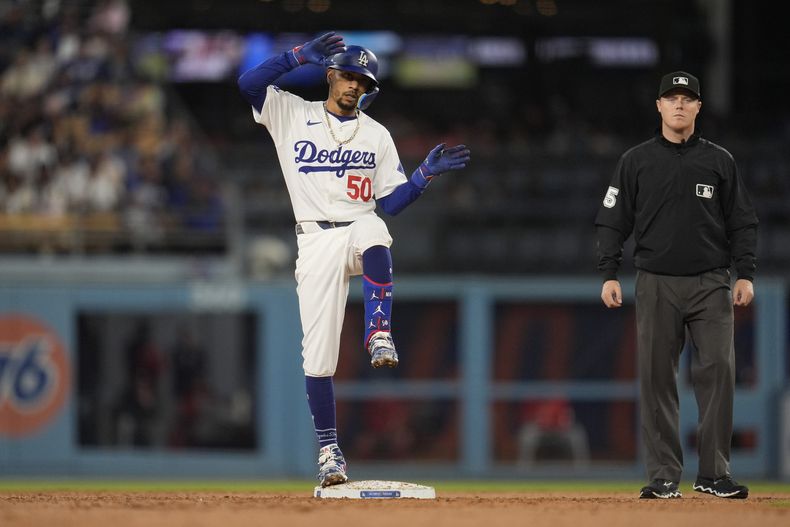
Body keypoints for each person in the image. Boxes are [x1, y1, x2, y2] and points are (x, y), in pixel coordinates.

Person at [237, 32, 470, 487]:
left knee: (374, 230)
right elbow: (248, 84)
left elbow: (392, 204)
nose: (354, 86)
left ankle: (378, 332)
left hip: (357, 227)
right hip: (313, 240)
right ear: (330, 75)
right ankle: (330, 453)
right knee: (318, 356)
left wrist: (422, 175)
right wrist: (296, 57)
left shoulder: (377, 134)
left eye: (362, 82)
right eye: (347, 76)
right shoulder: (293, 113)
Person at [594, 71, 757, 500]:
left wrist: (745, 273)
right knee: (656, 380)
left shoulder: (720, 160)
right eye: (671, 98)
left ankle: (714, 474)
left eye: (687, 98)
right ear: (659, 106)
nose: (679, 104)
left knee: (719, 373)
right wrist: (609, 273)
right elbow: (612, 221)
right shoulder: (636, 161)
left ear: (699, 107)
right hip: (656, 283)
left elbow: (742, 221)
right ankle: (664, 476)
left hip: (711, 283)